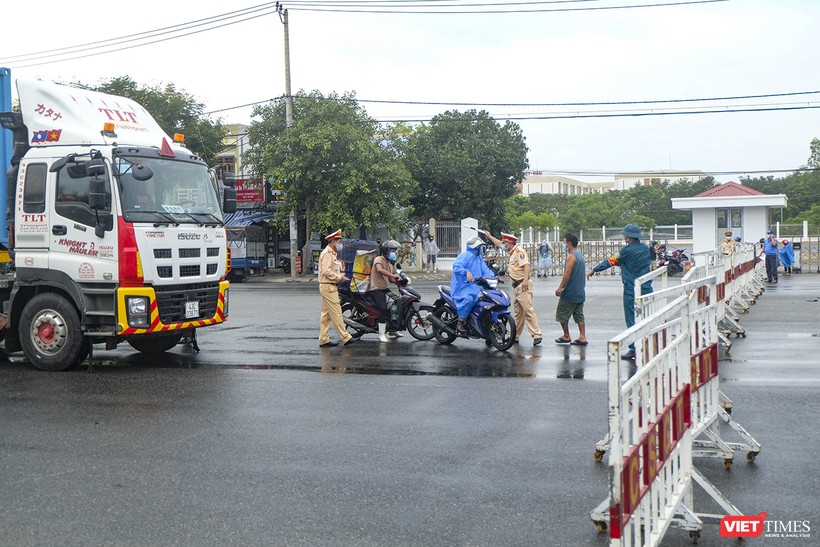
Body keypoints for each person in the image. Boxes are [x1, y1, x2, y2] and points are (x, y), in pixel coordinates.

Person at [587, 223, 653, 360]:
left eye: (625, 236)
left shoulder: (626, 251)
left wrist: (594, 269)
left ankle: (634, 348)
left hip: (631, 288)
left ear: (629, 237)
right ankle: (647, 344)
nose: (624, 238)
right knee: (646, 316)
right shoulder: (645, 249)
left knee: (631, 318)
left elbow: (610, 261)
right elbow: (631, 261)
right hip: (647, 287)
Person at [482, 230, 542, 346]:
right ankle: (515, 336)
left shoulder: (519, 252)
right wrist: (490, 236)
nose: (504, 245)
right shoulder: (512, 251)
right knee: (518, 313)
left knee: (528, 310)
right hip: (516, 286)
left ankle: (537, 334)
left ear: (510, 243)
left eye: (505, 243)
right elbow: (499, 244)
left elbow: (526, 266)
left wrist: (525, 281)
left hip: (522, 285)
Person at [318, 230, 357, 347]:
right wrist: (340, 278)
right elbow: (326, 271)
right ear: (334, 242)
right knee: (337, 312)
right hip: (328, 286)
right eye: (340, 242)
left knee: (326, 315)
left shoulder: (332, 253)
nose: (341, 244)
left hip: (328, 285)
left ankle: (323, 339)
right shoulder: (327, 253)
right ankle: (345, 337)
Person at [451, 235, 495, 334]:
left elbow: (485, 270)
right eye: (479, 246)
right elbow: (456, 266)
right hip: (463, 287)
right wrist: (466, 272)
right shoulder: (464, 255)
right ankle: (461, 321)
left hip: (477, 286)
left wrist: (494, 277)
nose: (480, 248)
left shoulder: (478, 258)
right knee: (469, 299)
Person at [554, 233, 587, 346]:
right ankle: (582, 337)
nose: (564, 245)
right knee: (579, 316)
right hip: (580, 292)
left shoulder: (571, 257)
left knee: (562, 314)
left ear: (569, 244)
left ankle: (566, 335)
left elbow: (567, 273)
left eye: (564, 242)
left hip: (570, 292)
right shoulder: (580, 256)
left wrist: (560, 287)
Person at [370, 239, 403, 342]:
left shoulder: (390, 264)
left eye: (394, 251)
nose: (393, 253)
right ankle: (381, 334)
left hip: (385, 288)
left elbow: (390, 279)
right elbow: (380, 270)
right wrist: (393, 275)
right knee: (383, 308)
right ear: (385, 251)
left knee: (396, 304)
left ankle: (392, 329)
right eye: (392, 251)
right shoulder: (378, 259)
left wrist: (398, 280)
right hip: (376, 288)